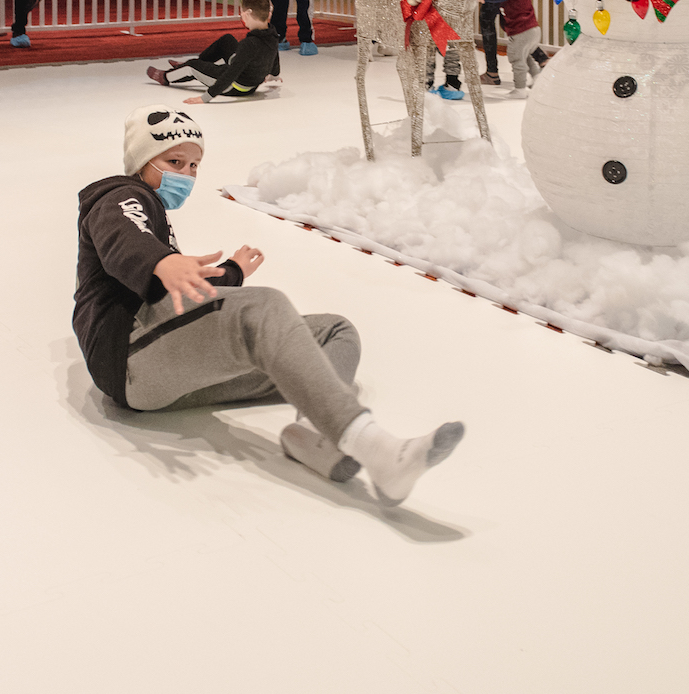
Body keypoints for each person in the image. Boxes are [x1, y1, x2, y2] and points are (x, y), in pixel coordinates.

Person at [73, 105, 466, 505]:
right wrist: (160, 261)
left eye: (194, 166)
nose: (186, 174)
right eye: (174, 161)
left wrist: (230, 273)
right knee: (264, 307)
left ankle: (317, 439)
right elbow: (124, 240)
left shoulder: (152, 211)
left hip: (164, 370)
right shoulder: (120, 196)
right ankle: (379, 450)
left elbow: (183, 297)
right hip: (127, 359)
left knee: (333, 331)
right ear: (141, 159)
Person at [145, 0, 280, 103]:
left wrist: (206, 97)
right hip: (250, 80)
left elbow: (231, 74)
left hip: (236, 86)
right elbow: (275, 57)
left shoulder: (249, 44)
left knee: (192, 66)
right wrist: (274, 75)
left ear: (247, 14)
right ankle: (194, 65)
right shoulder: (272, 35)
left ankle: (165, 76)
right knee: (226, 40)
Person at [479, 0, 541, 98]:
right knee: (525, 56)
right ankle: (538, 79)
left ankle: (520, 89)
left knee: (515, 58)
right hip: (532, 29)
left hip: (521, 31)